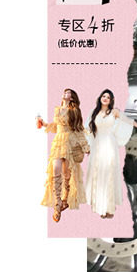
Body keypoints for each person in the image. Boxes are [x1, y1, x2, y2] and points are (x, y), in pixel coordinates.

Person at [85, 89, 137, 219]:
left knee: (108, 175)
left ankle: (109, 209)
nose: (105, 98)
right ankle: (100, 207)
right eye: (103, 96)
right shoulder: (94, 113)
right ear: (100, 98)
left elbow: (128, 121)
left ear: (111, 100)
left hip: (109, 144)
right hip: (97, 144)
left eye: (108, 97)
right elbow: (88, 129)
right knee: (98, 176)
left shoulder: (114, 112)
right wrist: (87, 145)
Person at [39, 88, 90, 222]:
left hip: (69, 142)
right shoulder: (58, 109)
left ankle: (65, 199)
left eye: (68, 93)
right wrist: (44, 124)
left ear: (71, 97)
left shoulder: (74, 111)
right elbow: (57, 126)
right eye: (65, 92)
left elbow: (79, 129)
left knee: (66, 174)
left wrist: (85, 147)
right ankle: (57, 205)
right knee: (55, 170)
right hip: (58, 142)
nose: (65, 94)